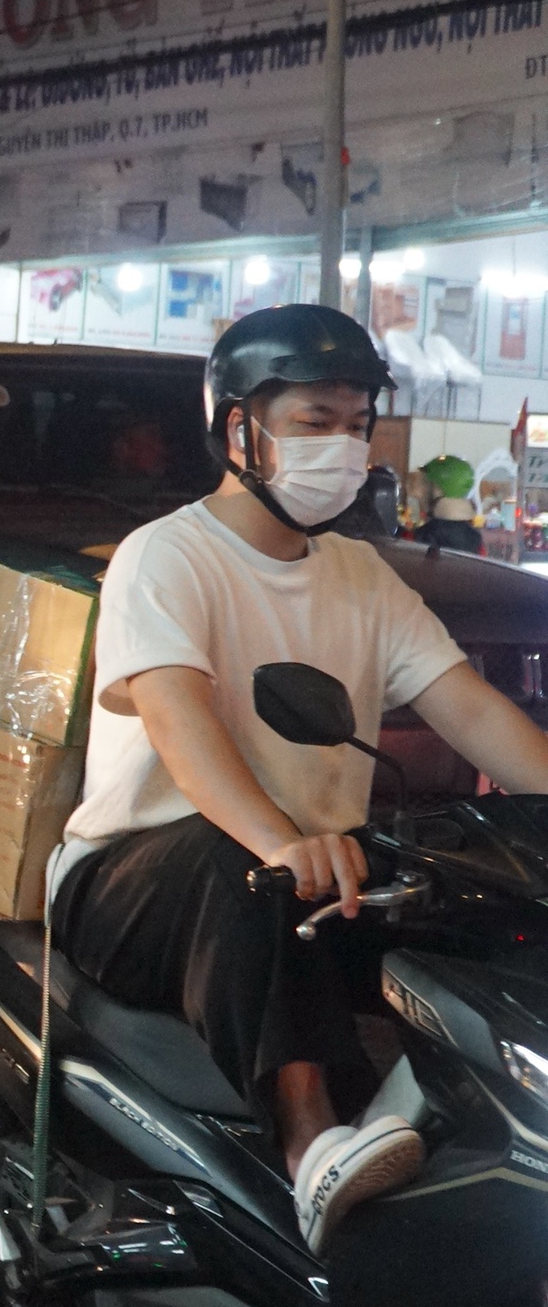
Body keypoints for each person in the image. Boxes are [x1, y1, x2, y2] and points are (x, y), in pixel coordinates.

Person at [50, 304, 548, 1254]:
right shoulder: (167, 556)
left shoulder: (360, 575)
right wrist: (280, 838)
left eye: (358, 424)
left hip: (325, 873)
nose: (344, 446)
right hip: (141, 876)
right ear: (240, 429)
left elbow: (473, 711)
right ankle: (310, 1145)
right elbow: (178, 721)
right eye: (315, 422)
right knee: (249, 874)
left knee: (486, 896)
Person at [416, 454, 484, 553]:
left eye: (424, 484)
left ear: (438, 490)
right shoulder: (476, 538)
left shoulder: (422, 536)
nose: (418, 493)